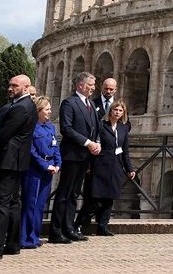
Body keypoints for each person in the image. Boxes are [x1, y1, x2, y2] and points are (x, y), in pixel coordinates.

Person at [50, 71, 101, 244]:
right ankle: (56, 231)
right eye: (90, 85)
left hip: (85, 156)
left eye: (94, 86)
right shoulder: (69, 103)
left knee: (73, 194)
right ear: (80, 85)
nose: (93, 89)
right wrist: (88, 143)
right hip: (72, 154)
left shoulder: (91, 105)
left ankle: (68, 228)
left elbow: (96, 128)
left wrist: (98, 142)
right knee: (64, 193)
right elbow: (67, 128)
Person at [0, 74, 37, 260]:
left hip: (7, 161)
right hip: (15, 161)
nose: (10, 88)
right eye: (9, 85)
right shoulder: (19, 105)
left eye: (15, 86)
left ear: (26, 88)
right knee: (12, 204)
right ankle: (12, 244)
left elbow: (2, 135)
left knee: (0, 204)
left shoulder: (21, 108)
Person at [78, 101, 134, 236]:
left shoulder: (123, 128)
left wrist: (129, 168)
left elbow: (125, 150)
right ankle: (79, 224)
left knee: (110, 198)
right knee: (95, 199)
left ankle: (103, 226)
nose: (118, 112)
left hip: (116, 165)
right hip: (101, 163)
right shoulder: (102, 126)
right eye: (115, 110)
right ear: (110, 111)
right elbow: (95, 145)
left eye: (120, 111)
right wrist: (89, 165)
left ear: (123, 113)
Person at [19, 96, 60, 249]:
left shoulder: (50, 127)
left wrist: (57, 163)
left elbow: (55, 146)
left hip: (48, 169)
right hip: (35, 169)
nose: (50, 112)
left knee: (40, 205)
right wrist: (44, 165)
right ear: (39, 111)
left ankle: (34, 237)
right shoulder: (31, 127)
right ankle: (25, 238)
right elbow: (31, 150)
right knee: (30, 203)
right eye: (47, 109)